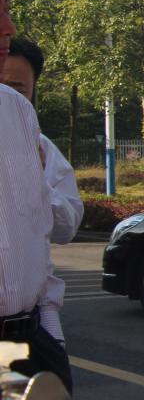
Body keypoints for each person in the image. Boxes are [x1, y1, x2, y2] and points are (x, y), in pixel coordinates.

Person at [0, 0, 71, 392]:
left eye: (7, 9)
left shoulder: (17, 112)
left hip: (26, 343)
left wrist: (51, 339)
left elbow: (36, 235)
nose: (8, 27)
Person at [1, 37, 85, 246]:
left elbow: (65, 230)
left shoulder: (42, 148)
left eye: (17, 91)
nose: (6, 99)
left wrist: (33, 179)